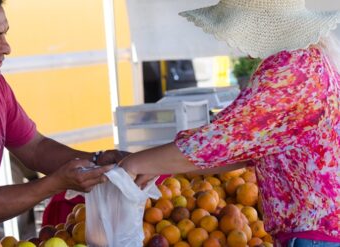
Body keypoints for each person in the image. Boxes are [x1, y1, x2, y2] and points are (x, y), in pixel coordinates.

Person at [120, 0, 340, 246]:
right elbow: (242, 148)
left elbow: (220, 140)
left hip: (315, 234)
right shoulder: (310, 58)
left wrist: (134, 163)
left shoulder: (290, 69)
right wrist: (156, 165)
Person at [0, 0, 126, 242]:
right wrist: (54, 184)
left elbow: (34, 147)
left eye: (5, 35)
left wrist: (94, 161)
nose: (7, 47)